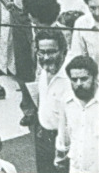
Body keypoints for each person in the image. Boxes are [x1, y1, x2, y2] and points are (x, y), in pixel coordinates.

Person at [33, 28, 72, 173]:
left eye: (51, 52)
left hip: (61, 142)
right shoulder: (45, 68)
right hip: (42, 134)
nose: (46, 57)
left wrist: (62, 151)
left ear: (64, 51)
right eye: (41, 52)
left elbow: (69, 121)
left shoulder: (70, 78)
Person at [56, 55, 99, 173]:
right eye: (74, 79)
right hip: (76, 168)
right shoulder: (66, 101)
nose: (78, 83)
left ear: (95, 77)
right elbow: (63, 135)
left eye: (84, 79)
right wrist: (60, 156)